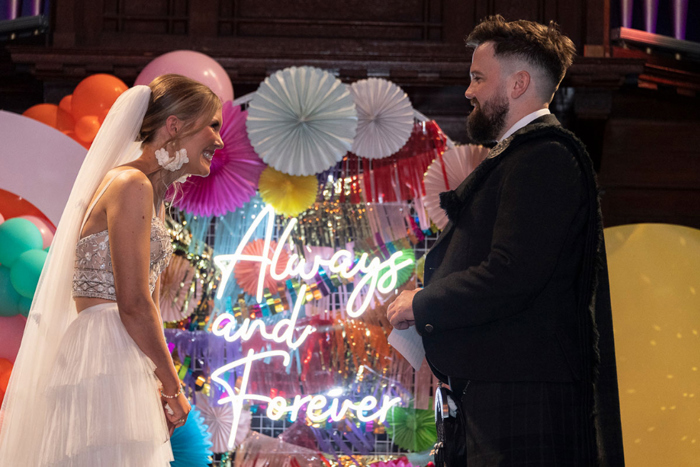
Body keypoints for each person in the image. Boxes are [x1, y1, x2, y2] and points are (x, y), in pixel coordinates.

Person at [388, 16, 624, 466]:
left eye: (478, 77)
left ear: (518, 84)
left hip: (523, 400)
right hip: (503, 392)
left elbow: (511, 273)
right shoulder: (525, 156)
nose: (468, 91)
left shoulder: (545, 157)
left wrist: (421, 304)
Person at [0, 74, 224, 466]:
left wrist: (157, 380)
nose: (219, 140)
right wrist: (173, 389)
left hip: (125, 353)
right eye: (213, 125)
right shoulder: (131, 183)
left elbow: (149, 303)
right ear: (175, 126)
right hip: (107, 353)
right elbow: (134, 303)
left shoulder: (150, 195)